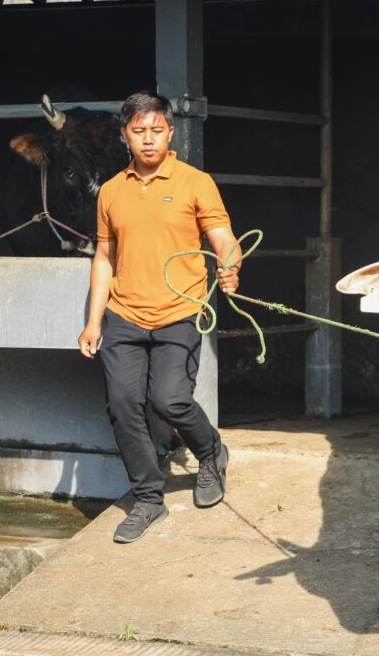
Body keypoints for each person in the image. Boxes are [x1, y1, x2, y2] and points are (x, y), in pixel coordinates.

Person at [78, 91, 243, 544]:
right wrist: (94, 322)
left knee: (168, 400)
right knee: (122, 405)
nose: (148, 140)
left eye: (156, 131)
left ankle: (211, 453)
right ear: (124, 136)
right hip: (123, 315)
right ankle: (148, 499)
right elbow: (104, 258)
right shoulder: (111, 190)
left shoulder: (195, 182)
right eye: (138, 132)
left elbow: (224, 237)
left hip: (179, 311)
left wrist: (230, 266)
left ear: (171, 132)